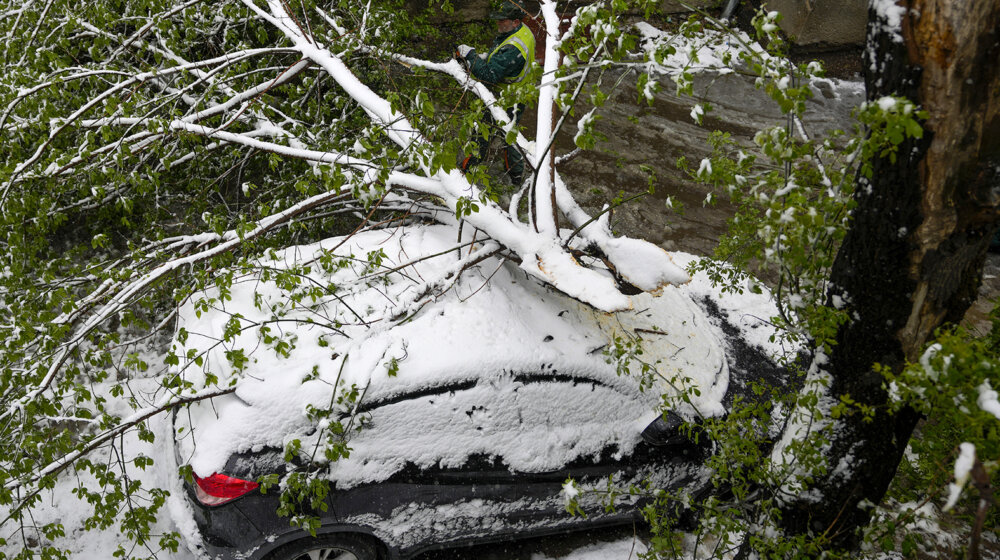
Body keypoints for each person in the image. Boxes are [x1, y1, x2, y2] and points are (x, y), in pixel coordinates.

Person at [456, 1, 536, 186]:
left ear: (515, 21)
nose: (498, 24)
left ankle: (466, 174)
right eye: (498, 20)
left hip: (503, 98)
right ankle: (517, 178)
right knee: (511, 137)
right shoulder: (521, 31)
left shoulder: (514, 47)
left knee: (481, 134)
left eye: (502, 21)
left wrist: (471, 55)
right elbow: (500, 61)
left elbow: (489, 75)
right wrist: (485, 58)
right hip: (518, 94)